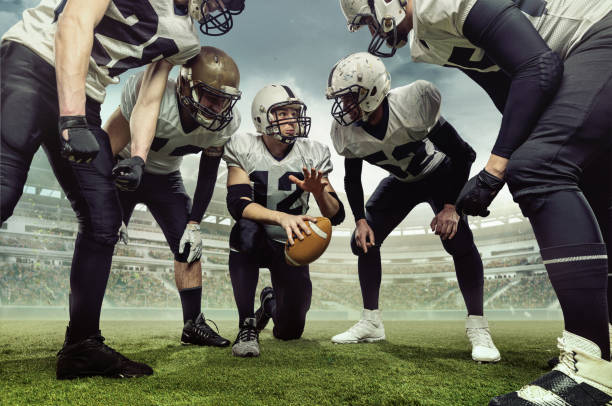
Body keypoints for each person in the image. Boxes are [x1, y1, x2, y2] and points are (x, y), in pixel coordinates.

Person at [339, 0, 612, 403]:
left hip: (594, 37)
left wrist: (495, 168)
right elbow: (510, 88)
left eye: (366, 19)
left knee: (537, 167)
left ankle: (591, 371)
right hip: (582, 55)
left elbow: (538, 67)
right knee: (589, 183)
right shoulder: (427, 39)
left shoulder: (433, 8)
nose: (370, 30)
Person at [0, 0, 243, 379]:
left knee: (103, 221)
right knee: (3, 191)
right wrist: (72, 118)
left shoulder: (185, 39)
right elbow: (75, 21)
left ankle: (82, 346)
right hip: (33, 63)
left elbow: (150, 91)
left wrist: (141, 157)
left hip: (87, 97)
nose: (214, 7)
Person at [326, 52, 499, 363]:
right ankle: (371, 321)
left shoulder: (413, 104)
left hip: (441, 174)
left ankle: (478, 326)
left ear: (374, 91)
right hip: (402, 182)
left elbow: (465, 155)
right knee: (363, 240)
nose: (345, 106)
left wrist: (451, 207)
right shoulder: (348, 131)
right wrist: (360, 220)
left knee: (458, 240)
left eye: (351, 97)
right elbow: (352, 178)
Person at [105, 46, 241, 348]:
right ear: (184, 85)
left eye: (224, 101)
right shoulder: (154, 94)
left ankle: (192, 324)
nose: (219, 109)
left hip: (166, 179)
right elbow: (107, 145)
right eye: (211, 97)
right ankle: (83, 327)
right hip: (125, 170)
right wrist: (104, 197)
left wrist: (195, 223)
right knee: (100, 237)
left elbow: (208, 174)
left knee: (188, 245)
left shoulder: (224, 125)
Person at [223, 84, 345, 357]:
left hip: (292, 244)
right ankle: (247, 324)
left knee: (289, 330)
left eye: (295, 112)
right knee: (245, 230)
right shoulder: (243, 147)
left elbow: (335, 215)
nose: (293, 120)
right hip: (258, 236)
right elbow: (238, 203)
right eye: (283, 113)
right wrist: (281, 217)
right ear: (262, 117)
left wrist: (318, 193)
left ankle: (269, 304)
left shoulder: (312, 152)